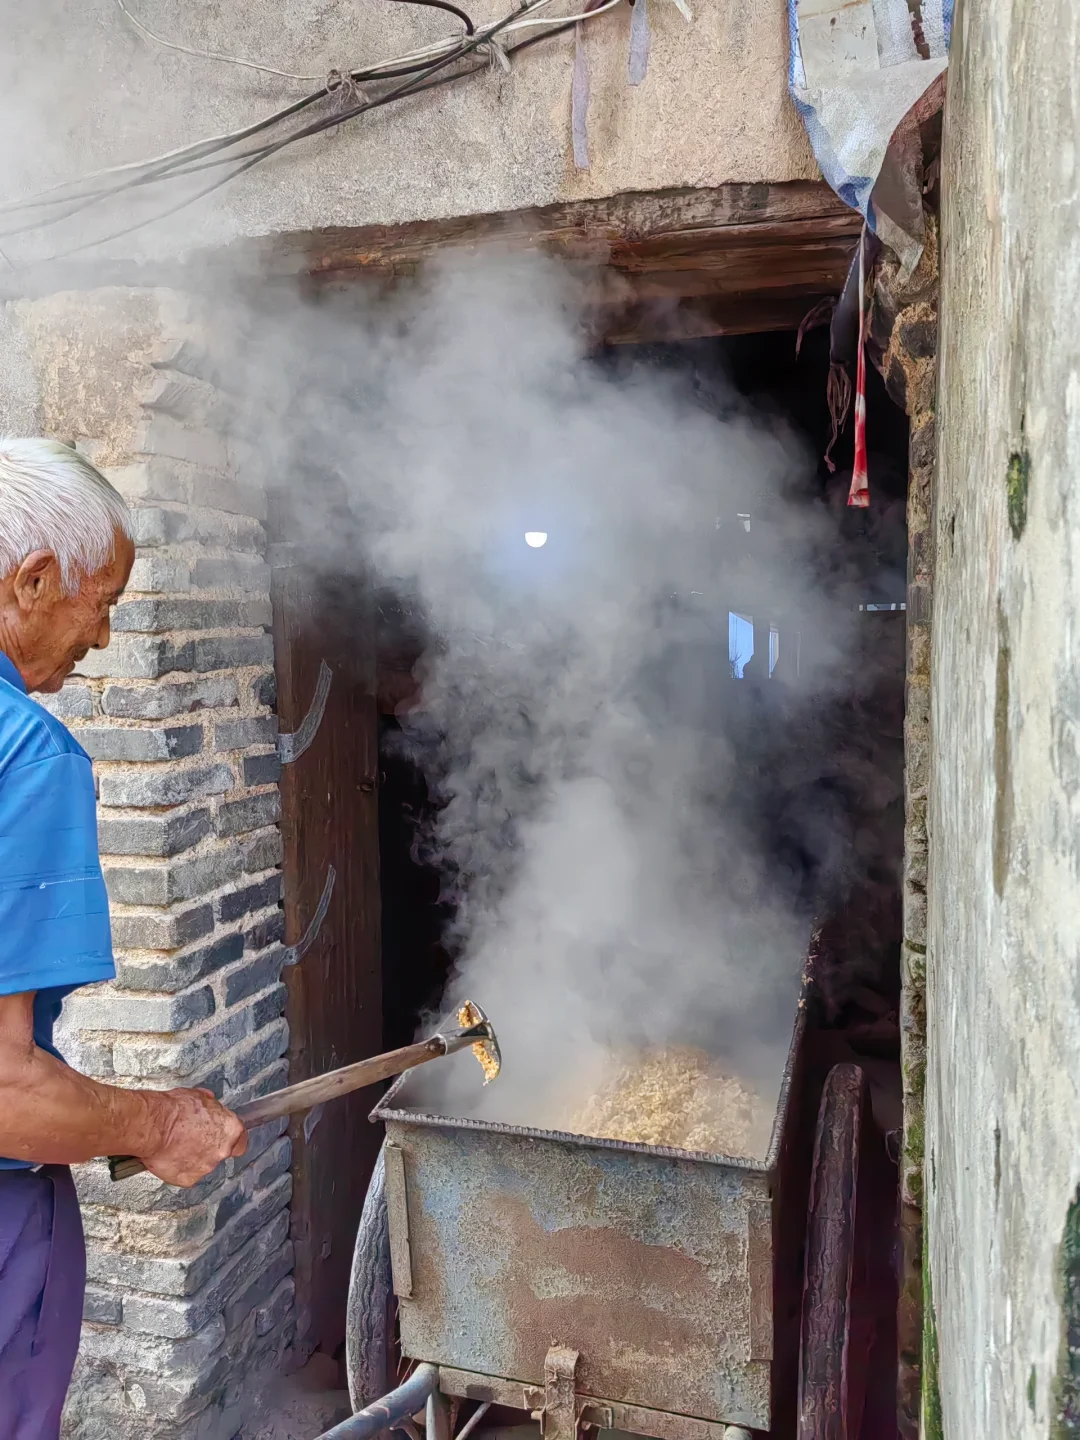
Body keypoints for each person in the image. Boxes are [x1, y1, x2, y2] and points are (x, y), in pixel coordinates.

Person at [0, 438, 247, 1438]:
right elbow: (4, 1093)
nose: (102, 638)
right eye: (100, 604)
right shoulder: (25, 752)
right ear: (31, 581)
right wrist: (158, 1124)